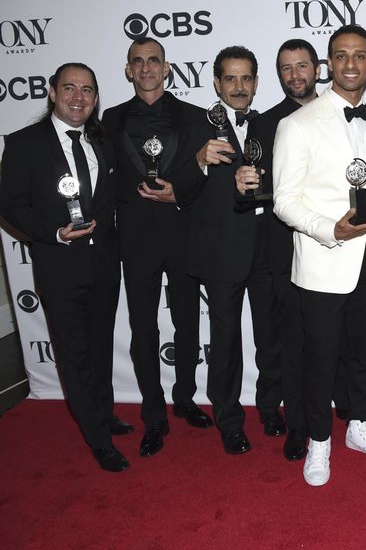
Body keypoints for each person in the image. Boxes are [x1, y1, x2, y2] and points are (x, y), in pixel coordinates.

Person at [273, 24, 366, 487]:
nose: (350, 64)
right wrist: (331, 229)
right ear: (328, 65)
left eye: (359, 55)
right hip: (323, 259)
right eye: (341, 56)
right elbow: (284, 201)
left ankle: (360, 425)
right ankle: (320, 441)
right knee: (321, 358)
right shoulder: (297, 124)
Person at [0, 63, 125, 471]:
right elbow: (10, 203)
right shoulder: (24, 143)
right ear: (52, 92)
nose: (78, 97)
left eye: (87, 90)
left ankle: (103, 413)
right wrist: (52, 232)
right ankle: (97, 436)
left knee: (101, 345)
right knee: (75, 354)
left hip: (103, 264)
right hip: (59, 266)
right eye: (69, 88)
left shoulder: (102, 140)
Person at [101, 37, 212, 459]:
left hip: (183, 234)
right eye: (138, 61)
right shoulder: (108, 120)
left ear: (167, 68)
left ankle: (185, 398)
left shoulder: (196, 117)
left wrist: (178, 194)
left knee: (187, 324)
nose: (146, 68)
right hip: (134, 240)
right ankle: (153, 413)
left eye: (154, 60)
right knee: (143, 328)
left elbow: (206, 177)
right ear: (128, 70)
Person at [170, 46, 280, 454]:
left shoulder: (267, 125)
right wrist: (199, 161)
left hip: (267, 249)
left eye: (246, 78)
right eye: (230, 79)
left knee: (271, 339)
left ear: (255, 83)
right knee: (226, 341)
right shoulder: (195, 125)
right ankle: (229, 421)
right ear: (216, 82)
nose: (238, 87)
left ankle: (270, 408)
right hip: (220, 253)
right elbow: (177, 188)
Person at [235, 38, 319, 461]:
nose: (294, 75)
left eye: (301, 66)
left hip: (326, 248)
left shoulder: (336, 115)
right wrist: (244, 186)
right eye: (286, 68)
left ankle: (328, 409)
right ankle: (275, 409)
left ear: (317, 69)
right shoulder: (263, 124)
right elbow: (255, 191)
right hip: (278, 249)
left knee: (320, 339)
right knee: (274, 338)